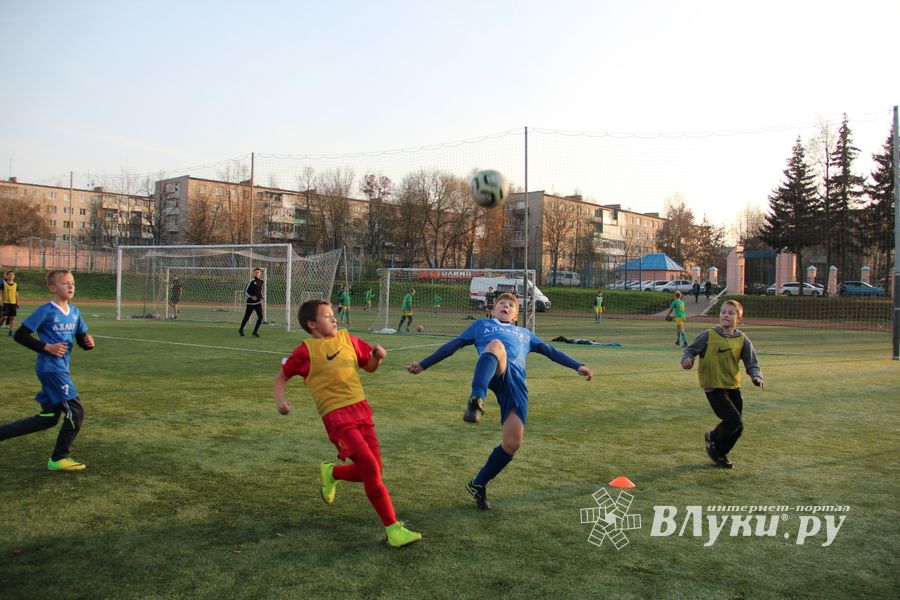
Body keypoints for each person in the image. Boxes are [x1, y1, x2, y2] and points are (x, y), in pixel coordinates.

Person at [406, 293, 593, 510]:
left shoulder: (525, 333)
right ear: (493, 310)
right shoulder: (482, 326)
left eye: (511, 305)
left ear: (515, 316)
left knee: (512, 443)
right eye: (501, 304)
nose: (505, 306)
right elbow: (454, 345)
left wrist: (577, 365)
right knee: (496, 345)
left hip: (516, 385)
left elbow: (551, 351)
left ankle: (478, 484)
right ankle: (476, 399)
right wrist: (423, 364)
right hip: (495, 369)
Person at [274, 299, 422, 547]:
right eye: (327, 316)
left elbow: (370, 367)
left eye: (333, 315)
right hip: (336, 417)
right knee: (371, 471)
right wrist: (280, 400)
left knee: (374, 470)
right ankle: (393, 529)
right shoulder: (305, 351)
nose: (334, 318)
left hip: (362, 411)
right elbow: (282, 376)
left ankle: (331, 472)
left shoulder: (349, 340)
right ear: (312, 324)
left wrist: (377, 356)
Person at [0, 270, 94, 471]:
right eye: (65, 283)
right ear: (52, 288)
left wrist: (87, 342)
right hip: (50, 369)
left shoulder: (75, 312)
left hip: (62, 369)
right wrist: (46, 347)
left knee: (48, 419)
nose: (70, 286)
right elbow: (21, 335)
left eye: (72, 283)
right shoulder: (46, 310)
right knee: (76, 412)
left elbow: (81, 338)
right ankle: (59, 458)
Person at [681, 299, 765, 469]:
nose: (726, 315)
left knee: (737, 427)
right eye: (723, 312)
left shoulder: (742, 339)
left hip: (732, 386)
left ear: (739, 319)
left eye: (731, 313)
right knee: (734, 421)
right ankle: (712, 437)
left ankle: (720, 454)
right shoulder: (709, 335)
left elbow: (752, 363)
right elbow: (690, 350)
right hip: (713, 387)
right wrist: (687, 359)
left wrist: (756, 377)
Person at [239, 268, 264, 337]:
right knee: (247, 317)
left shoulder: (262, 281)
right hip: (250, 303)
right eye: (256, 272)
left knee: (260, 317)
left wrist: (262, 297)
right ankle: (241, 329)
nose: (257, 273)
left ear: (260, 273)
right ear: (254, 273)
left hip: (258, 303)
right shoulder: (251, 281)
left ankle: (255, 331)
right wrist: (251, 297)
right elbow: (245, 291)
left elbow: (260, 291)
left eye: (258, 272)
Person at [1, 271, 19, 336]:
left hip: (13, 303)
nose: (11, 276)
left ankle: (11, 331)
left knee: (12, 318)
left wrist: (17, 303)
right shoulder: (4, 284)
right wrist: (1, 302)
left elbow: (16, 294)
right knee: (4, 317)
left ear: (14, 276)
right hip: (5, 303)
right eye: (10, 275)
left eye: (12, 275)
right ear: (7, 276)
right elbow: (0, 293)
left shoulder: (16, 284)